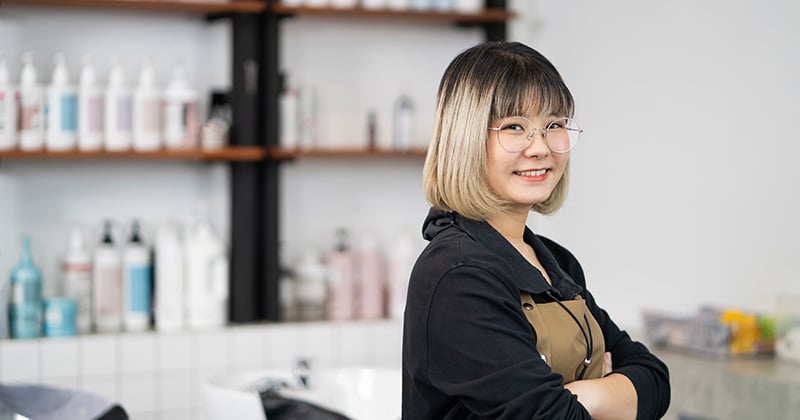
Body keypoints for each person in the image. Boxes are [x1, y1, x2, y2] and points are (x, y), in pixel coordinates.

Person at [402, 41, 670, 419]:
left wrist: (580, 397)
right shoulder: (458, 274)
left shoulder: (553, 260)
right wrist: (604, 393)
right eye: (515, 127)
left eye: (554, 125)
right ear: (466, 139)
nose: (540, 147)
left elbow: (656, 380)